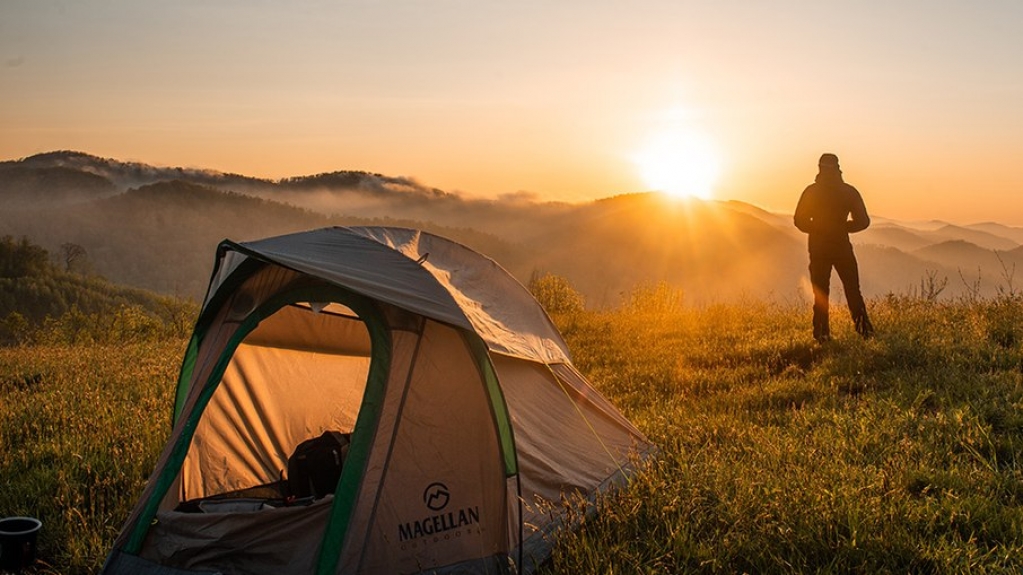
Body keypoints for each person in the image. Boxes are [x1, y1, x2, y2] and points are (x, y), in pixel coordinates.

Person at [794, 153, 874, 342]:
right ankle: (864, 331)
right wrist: (843, 227)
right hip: (842, 247)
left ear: (819, 168)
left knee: (820, 292)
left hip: (818, 247)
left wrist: (818, 228)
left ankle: (822, 334)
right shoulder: (848, 191)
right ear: (838, 168)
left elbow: (799, 221)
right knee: (853, 290)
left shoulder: (811, 192)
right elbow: (863, 221)